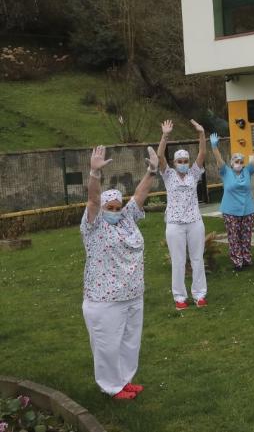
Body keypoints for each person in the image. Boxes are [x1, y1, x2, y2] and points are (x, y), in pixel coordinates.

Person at [81, 144, 158, 400]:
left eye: (117, 207)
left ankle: (125, 380)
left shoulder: (127, 217)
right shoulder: (94, 225)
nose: (114, 211)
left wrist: (152, 170)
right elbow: (92, 200)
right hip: (105, 300)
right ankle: (111, 386)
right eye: (109, 208)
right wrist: (94, 174)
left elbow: (139, 194)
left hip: (133, 295)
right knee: (107, 345)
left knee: (129, 342)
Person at [156, 119, 208, 310]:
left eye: (186, 161)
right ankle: (179, 297)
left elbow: (202, 153)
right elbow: (160, 155)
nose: (184, 164)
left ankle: (200, 294)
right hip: (175, 224)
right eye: (180, 161)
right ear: (174, 163)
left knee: (197, 259)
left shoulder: (194, 174)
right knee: (178, 261)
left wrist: (201, 134)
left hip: (194, 222)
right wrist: (165, 135)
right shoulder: (168, 175)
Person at [210, 131, 254, 271]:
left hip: (248, 210)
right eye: (236, 161)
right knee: (234, 237)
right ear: (232, 163)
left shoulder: (247, 171)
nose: (239, 164)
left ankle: (246, 258)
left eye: (241, 162)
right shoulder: (226, 172)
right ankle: (237, 261)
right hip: (230, 211)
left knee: (246, 236)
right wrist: (214, 147)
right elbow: (219, 160)